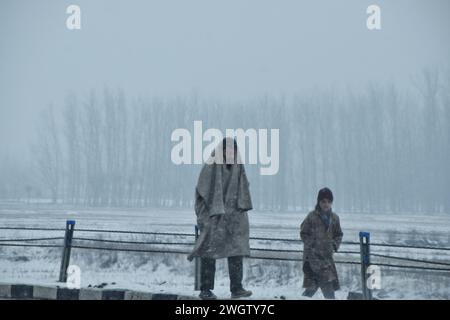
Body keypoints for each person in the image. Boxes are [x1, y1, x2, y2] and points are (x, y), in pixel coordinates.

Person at [187, 137, 253, 300]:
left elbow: (243, 189)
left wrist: (238, 213)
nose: (230, 153)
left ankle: (237, 288)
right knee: (209, 251)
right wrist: (206, 217)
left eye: (233, 149)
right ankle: (205, 289)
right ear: (221, 150)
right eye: (228, 149)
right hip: (214, 216)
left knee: (236, 250)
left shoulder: (239, 166)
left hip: (233, 217)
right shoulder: (211, 166)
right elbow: (202, 192)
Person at [300, 187, 343, 299]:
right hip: (312, 259)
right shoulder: (312, 217)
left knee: (313, 287)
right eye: (323, 201)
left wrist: (334, 245)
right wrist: (312, 245)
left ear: (332, 203)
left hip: (326, 259)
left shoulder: (334, 218)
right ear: (319, 202)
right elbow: (303, 233)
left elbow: (339, 234)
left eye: (329, 201)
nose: (326, 204)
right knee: (323, 286)